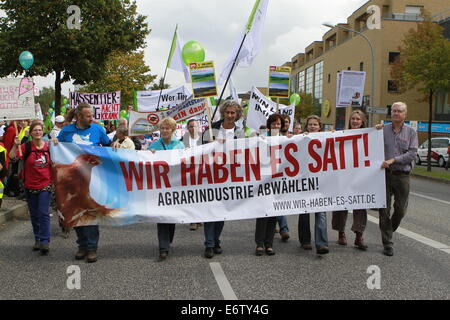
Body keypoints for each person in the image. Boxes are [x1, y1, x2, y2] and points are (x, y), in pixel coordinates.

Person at [56, 103, 110, 263]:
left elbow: (108, 147)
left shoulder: (98, 130)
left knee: (90, 211)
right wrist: (54, 143)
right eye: (88, 116)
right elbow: (58, 149)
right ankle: (82, 246)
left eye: (91, 115)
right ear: (79, 117)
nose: (91, 118)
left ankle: (92, 248)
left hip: (93, 179)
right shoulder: (66, 131)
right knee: (77, 211)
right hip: (73, 180)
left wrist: (114, 144)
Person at [201, 100, 245, 258]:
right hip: (210, 176)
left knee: (221, 211)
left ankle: (216, 239)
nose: (230, 115)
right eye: (228, 112)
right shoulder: (211, 129)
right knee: (210, 211)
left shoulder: (240, 132)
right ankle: (209, 244)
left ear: (237, 115)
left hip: (228, 177)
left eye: (233, 113)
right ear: (223, 112)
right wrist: (209, 144)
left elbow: (241, 153)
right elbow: (200, 151)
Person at [378, 102, 418, 257]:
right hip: (385, 175)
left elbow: (412, 153)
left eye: (399, 111)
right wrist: (372, 131)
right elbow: (369, 143)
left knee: (400, 210)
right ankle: (387, 243)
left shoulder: (411, 132)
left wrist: (393, 160)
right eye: (394, 111)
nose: (396, 113)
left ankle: (388, 229)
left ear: (405, 114)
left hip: (402, 176)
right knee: (384, 210)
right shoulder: (382, 130)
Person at [9, 121, 53, 255]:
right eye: (35, 130)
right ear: (31, 133)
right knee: (34, 214)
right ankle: (38, 238)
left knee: (43, 212)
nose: (37, 132)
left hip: (45, 185)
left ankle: (45, 241)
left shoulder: (49, 146)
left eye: (40, 130)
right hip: (29, 185)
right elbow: (12, 157)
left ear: (43, 131)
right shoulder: (26, 146)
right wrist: (15, 146)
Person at [331, 110, 368, 250]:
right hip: (344, 175)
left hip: (361, 176)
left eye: (358, 119)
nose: (355, 121)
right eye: (353, 118)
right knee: (342, 204)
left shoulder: (369, 135)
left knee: (361, 205)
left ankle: (359, 235)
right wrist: (332, 136)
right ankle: (341, 233)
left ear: (362, 121)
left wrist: (377, 131)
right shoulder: (343, 135)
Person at [150, 117, 185, 261]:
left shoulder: (180, 145)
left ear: (173, 130)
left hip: (175, 186)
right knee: (162, 217)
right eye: (162, 128)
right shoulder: (154, 145)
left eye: (167, 128)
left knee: (171, 218)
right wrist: (149, 155)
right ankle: (163, 247)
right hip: (160, 187)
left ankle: (168, 241)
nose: (164, 131)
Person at [298, 115, 329, 255]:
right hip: (304, 180)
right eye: (310, 124)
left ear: (320, 126)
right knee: (304, 212)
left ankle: (321, 243)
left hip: (321, 181)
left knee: (320, 212)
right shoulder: (301, 139)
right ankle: (305, 240)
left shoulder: (326, 138)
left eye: (315, 124)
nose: (312, 127)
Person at [254, 114, 285, 256]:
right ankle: (259, 244)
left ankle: (269, 244)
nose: (276, 126)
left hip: (279, 181)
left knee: (273, 213)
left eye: (278, 124)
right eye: (274, 124)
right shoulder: (262, 139)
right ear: (269, 125)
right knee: (262, 213)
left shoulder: (286, 139)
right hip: (263, 180)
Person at [181, 119, 203, 231]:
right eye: (190, 126)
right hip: (189, 170)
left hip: (202, 169)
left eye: (195, 126)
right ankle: (193, 220)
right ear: (187, 128)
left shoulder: (205, 138)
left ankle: (200, 217)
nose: (193, 128)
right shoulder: (183, 139)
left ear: (198, 127)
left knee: (201, 194)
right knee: (192, 195)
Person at [276, 113, 292, 242]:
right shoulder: (269, 137)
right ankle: (283, 229)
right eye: (283, 122)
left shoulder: (293, 137)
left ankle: (282, 228)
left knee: (280, 201)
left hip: (287, 174)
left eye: (287, 122)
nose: (285, 124)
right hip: (272, 175)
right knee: (276, 201)